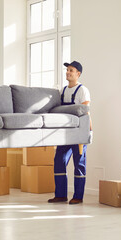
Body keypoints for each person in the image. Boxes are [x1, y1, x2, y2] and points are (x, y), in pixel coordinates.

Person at [48, 61, 92, 205]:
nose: (68, 72)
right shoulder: (63, 91)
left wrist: (88, 131)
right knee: (59, 160)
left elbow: (85, 112)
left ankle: (78, 196)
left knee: (79, 163)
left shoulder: (82, 90)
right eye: (67, 70)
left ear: (78, 74)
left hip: (79, 132)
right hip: (65, 133)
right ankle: (60, 195)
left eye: (71, 70)